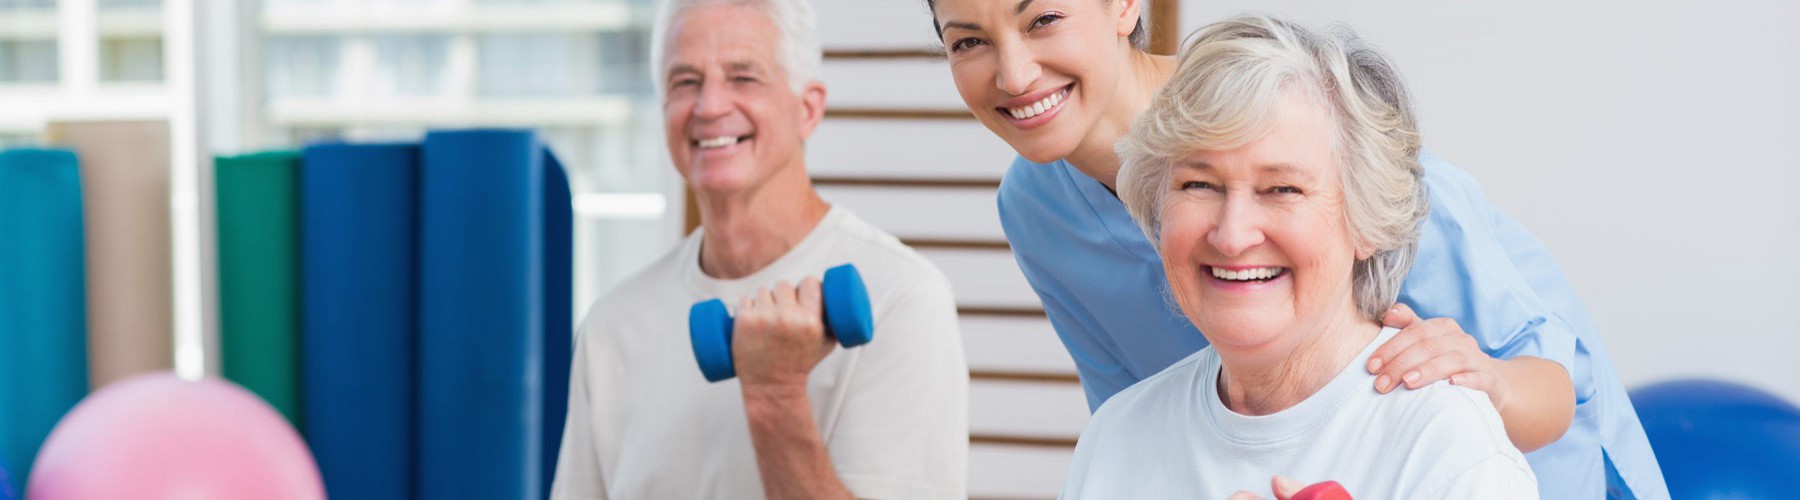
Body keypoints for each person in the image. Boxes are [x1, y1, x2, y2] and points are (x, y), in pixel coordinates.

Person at [922, 0, 1666, 497]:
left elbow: (1554, 388)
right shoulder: (1036, 211)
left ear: (1124, 5)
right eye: (969, 41)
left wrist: (1487, 388)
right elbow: (1134, 425)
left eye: (1043, 18)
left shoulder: (1321, 136)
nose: (1014, 74)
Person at [1062, 16, 1535, 498]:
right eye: (1199, 185)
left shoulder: (1445, 445)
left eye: (1282, 188)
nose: (1231, 235)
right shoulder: (1116, 437)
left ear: (1365, 220)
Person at [550, 0, 968, 498]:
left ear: (807, 109)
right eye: (685, 82)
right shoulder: (612, 325)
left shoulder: (901, 299)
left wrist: (776, 396)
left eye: (743, 77)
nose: (709, 107)